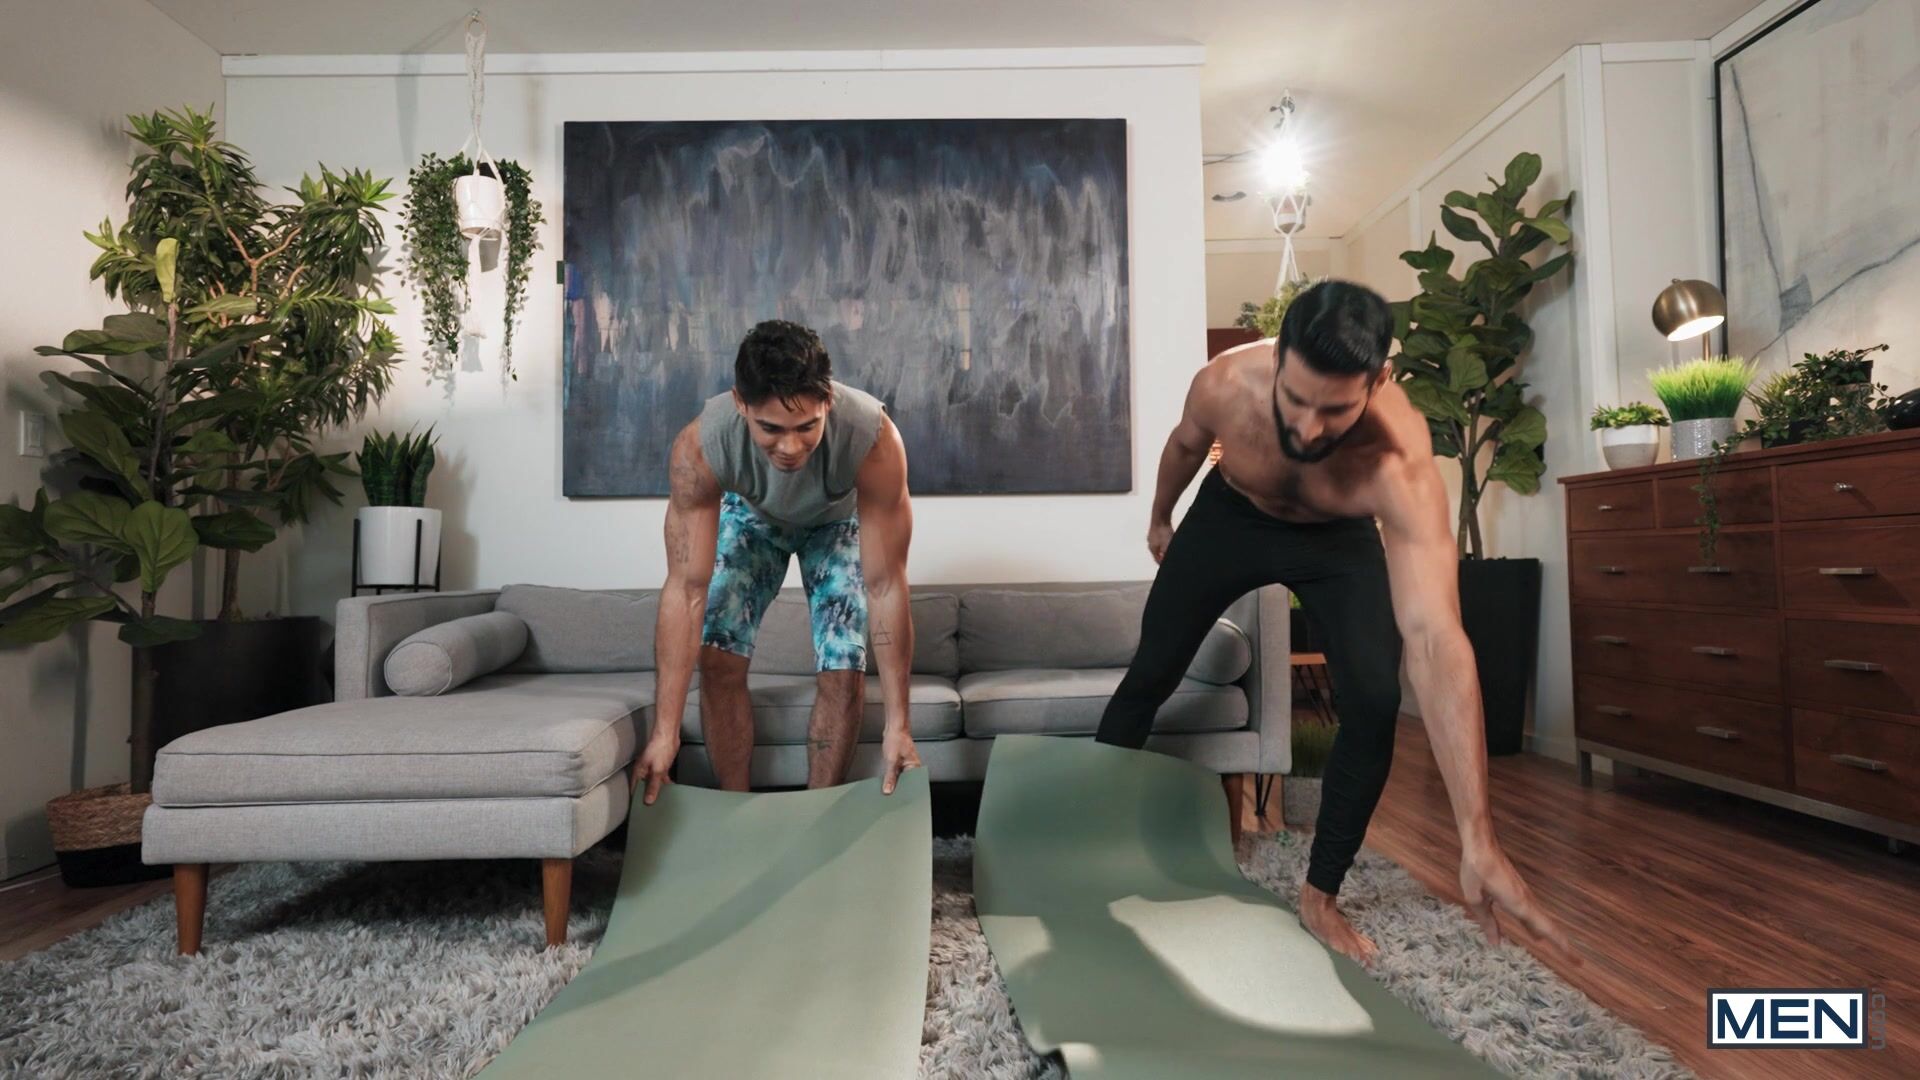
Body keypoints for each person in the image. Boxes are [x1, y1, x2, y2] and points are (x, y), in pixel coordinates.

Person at [1095, 280, 1573, 968]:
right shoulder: (1223, 384)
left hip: (1337, 539)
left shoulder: (1398, 462)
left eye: (1336, 410)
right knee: (1152, 671)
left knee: (1374, 701)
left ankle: (1320, 896)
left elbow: (1436, 639)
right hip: (1231, 517)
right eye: (1295, 399)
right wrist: (1160, 519)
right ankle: (1095, 837)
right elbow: (1183, 447)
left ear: (1379, 381)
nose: (1309, 428)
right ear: (1277, 357)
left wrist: (1478, 835)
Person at [633, 320, 922, 805]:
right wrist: (666, 731)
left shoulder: (874, 439)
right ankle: (737, 811)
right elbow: (686, 590)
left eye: (806, 427)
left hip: (836, 521)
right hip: (753, 517)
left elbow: (885, 585)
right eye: (770, 429)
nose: (790, 448)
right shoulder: (700, 447)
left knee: (843, 662)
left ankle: (816, 816)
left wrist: (899, 726)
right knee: (718, 652)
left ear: (827, 400)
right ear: (741, 404)